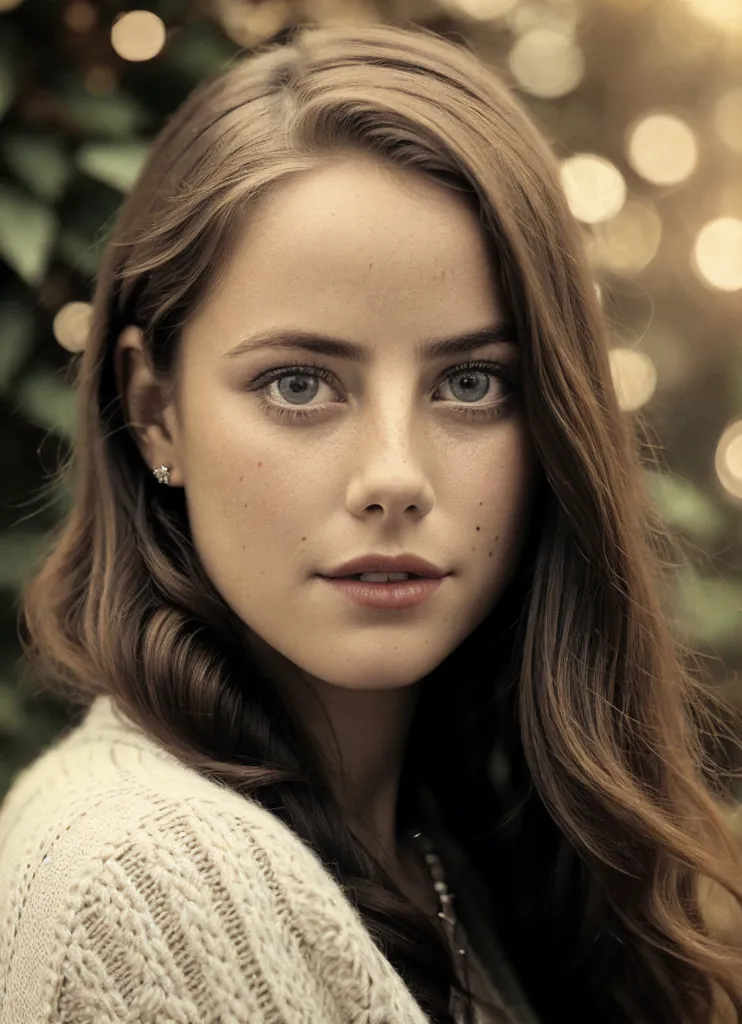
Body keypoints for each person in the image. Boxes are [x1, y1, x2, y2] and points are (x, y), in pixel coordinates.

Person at [0, 19, 741, 1024]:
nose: (393, 477)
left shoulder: (464, 844)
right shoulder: (134, 880)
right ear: (152, 407)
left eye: (472, 382)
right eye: (299, 383)